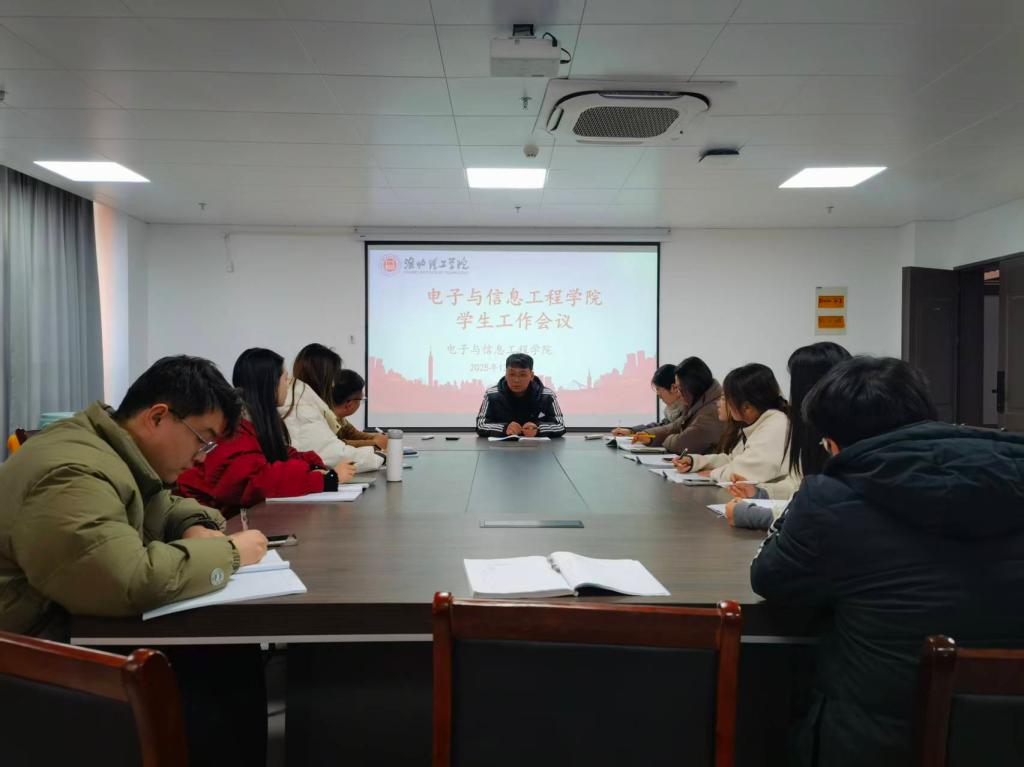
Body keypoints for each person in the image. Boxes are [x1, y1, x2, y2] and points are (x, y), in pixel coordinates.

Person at [750, 356, 1024, 767]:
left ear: (833, 443)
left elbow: (770, 578)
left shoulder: (830, 500)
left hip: (878, 744)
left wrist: (807, 498)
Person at [0, 355, 271, 765]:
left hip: (63, 625)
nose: (202, 457)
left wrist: (193, 525)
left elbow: (160, 503)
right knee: (218, 672)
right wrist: (230, 554)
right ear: (158, 417)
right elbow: (126, 580)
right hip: (29, 661)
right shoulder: (72, 471)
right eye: (202, 439)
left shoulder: (113, 451)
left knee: (228, 654)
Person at [177, 348, 353, 513]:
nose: (288, 385)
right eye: (285, 378)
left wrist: (312, 466)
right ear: (270, 384)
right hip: (203, 519)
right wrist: (325, 479)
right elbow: (258, 482)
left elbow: (279, 453)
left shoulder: (255, 420)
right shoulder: (234, 426)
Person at [726, 342, 851, 529]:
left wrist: (756, 515)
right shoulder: (812, 430)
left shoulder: (846, 435)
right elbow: (798, 483)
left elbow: (833, 511)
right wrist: (761, 493)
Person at [672, 363, 788, 482]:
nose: (721, 403)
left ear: (747, 407)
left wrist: (713, 474)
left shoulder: (775, 424)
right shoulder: (758, 423)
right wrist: (695, 462)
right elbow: (733, 460)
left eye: (726, 398)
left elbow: (747, 470)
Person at [281, 343, 383, 473]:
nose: (334, 385)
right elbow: (334, 455)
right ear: (325, 379)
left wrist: (375, 444)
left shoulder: (304, 402)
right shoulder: (302, 409)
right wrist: (380, 456)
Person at [622, 357, 725, 454]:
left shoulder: (712, 411)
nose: (678, 393)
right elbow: (674, 426)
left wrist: (664, 439)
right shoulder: (697, 404)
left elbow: (682, 443)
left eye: (680, 388)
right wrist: (649, 435)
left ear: (691, 387)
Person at [475, 353, 566, 437]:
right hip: (502, 447)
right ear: (506, 374)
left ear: (531, 376)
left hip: (537, 448)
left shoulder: (546, 395)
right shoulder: (492, 395)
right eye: (512, 374)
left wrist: (538, 429)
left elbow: (560, 425)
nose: (516, 380)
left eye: (522, 375)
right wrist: (504, 428)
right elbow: (481, 425)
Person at [332, 369, 387, 450]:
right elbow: (336, 446)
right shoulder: (324, 419)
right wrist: (375, 443)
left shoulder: (340, 418)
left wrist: (377, 437)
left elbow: (354, 435)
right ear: (349, 404)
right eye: (361, 400)